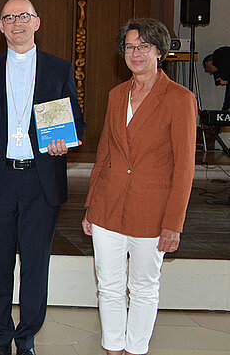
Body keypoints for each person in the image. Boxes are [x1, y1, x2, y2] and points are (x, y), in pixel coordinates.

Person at [0, 0, 85, 355]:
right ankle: (1, 338)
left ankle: (26, 337)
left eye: (24, 16)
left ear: (37, 22)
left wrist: (68, 140)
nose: (17, 23)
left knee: (35, 266)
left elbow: (77, 121)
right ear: (0, 26)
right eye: (9, 17)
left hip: (40, 181)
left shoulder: (58, 68)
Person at [81, 18, 196, 355]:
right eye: (130, 46)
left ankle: (135, 350)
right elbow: (104, 154)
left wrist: (173, 224)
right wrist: (91, 205)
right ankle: (113, 348)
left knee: (143, 288)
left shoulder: (179, 98)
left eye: (144, 46)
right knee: (109, 287)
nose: (136, 53)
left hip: (152, 209)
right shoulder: (117, 94)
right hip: (107, 207)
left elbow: (185, 168)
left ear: (159, 51)